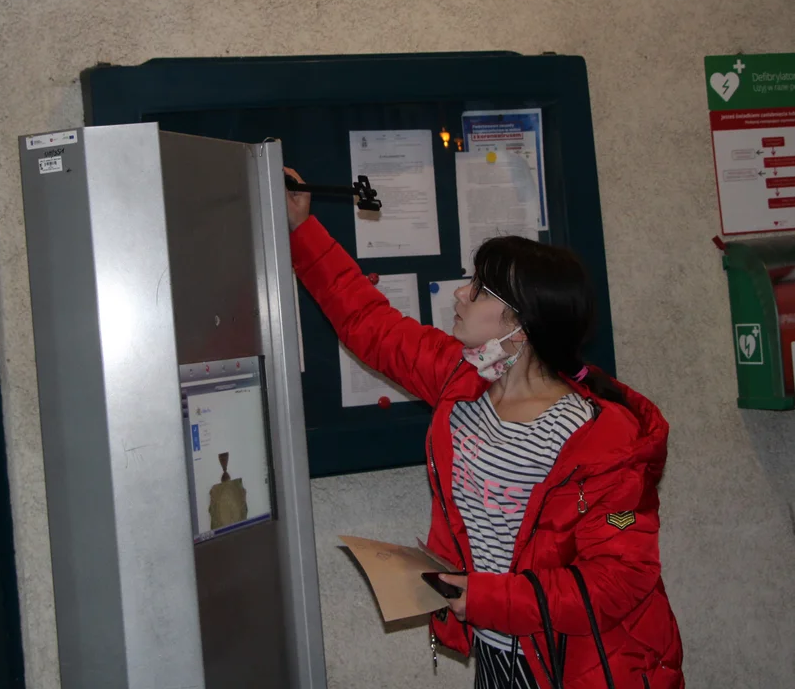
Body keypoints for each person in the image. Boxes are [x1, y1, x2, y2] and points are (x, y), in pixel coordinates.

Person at [284, 168, 683, 689]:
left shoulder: (598, 438)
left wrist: (483, 598)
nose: (460, 294)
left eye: (479, 289)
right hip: (497, 653)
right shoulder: (464, 379)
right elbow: (369, 325)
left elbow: (617, 582)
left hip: (582, 668)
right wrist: (300, 228)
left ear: (520, 325)